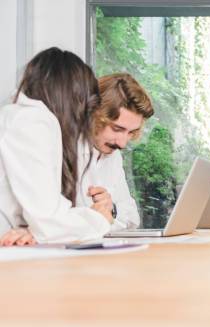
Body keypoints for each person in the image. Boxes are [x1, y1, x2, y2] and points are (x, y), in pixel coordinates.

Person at [0, 47, 111, 245]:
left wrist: (34, 230)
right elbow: (49, 221)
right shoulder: (33, 120)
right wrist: (100, 220)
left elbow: (44, 218)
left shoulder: (22, 116)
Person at [77, 73, 154, 231]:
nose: (122, 143)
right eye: (117, 129)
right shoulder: (63, 150)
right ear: (93, 114)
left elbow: (133, 219)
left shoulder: (113, 154)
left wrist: (112, 209)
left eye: (131, 132)